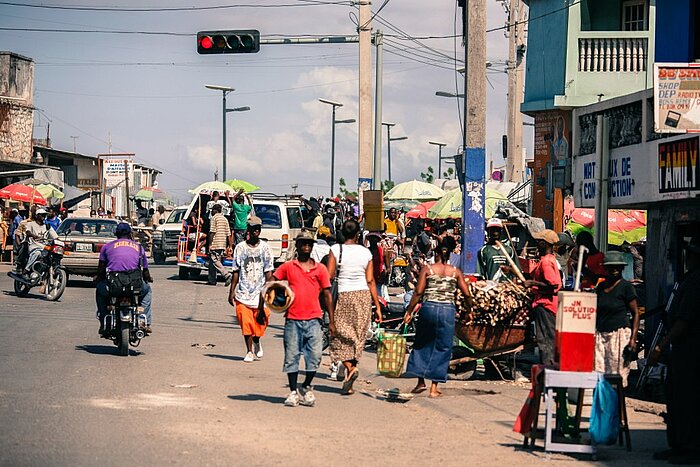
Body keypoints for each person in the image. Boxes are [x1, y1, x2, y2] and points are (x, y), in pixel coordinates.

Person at [648, 240, 700, 464]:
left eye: (691, 254)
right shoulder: (689, 279)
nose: (687, 257)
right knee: (676, 396)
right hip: (681, 350)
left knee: (688, 398)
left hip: (692, 350)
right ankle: (678, 444)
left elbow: (684, 321)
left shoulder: (697, 281)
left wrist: (660, 345)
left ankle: (690, 447)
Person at [403, 236, 472, 397]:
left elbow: (418, 292)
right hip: (447, 310)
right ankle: (434, 388)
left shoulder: (428, 269)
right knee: (443, 346)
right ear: (451, 253)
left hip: (429, 308)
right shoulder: (455, 272)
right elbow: (467, 294)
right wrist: (469, 311)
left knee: (422, 342)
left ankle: (420, 381)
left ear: (436, 251)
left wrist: (409, 311)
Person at [274, 230, 334, 407]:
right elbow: (272, 282)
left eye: (309, 243)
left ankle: (306, 385)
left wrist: (331, 320)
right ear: (298, 246)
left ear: (312, 246)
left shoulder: (321, 269)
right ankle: (293, 391)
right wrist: (267, 305)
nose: (306, 246)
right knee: (292, 357)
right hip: (293, 319)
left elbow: (327, 294)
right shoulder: (289, 266)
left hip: (314, 319)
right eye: (303, 243)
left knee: (314, 357)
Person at [326, 219, 382, 395]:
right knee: (358, 336)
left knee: (339, 336)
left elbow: (328, 276)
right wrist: (377, 306)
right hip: (363, 296)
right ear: (359, 234)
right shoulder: (366, 253)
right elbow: (371, 280)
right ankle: (351, 372)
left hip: (344, 295)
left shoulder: (336, 250)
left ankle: (350, 368)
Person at [228, 216, 274, 363]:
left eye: (258, 229)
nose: (256, 232)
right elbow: (236, 271)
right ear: (248, 230)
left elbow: (268, 271)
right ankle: (249, 351)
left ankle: (256, 340)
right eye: (253, 229)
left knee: (262, 320)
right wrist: (231, 292)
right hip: (243, 292)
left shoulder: (265, 248)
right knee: (245, 322)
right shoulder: (240, 248)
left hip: (260, 293)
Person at [95, 223, 153, 334]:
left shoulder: (107, 247)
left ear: (116, 233)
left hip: (113, 286)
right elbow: (145, 271)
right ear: (130, 233)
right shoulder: (139, 248)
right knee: (148, 291)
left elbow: (101, 268)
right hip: (134, 286)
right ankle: (143, 320)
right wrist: (149, 278)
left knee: (100, 291)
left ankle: (103, 322)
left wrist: (98, 278)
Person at [594, 251, 640, 387]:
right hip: (601, 334)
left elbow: (636, 313)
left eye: (618, 267)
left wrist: (633, 339)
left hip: (619, 335)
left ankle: (617, 405)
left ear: (622, 268)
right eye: (611, 266)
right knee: (599, 371)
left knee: (617, 375)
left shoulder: (626, 287)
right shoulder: (601, 287)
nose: (615, 269)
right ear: (606, 268)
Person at [523, 229, 562, 366]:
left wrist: (532, 283)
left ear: (546, 244)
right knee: (548, 338)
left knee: (546, 339)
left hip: (545, 305)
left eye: (539, 242)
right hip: (548, 305)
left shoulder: (546, 262)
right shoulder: (550, 260)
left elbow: (553, 285)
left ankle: (549, 370)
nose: (537, 244)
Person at [16, 208, 58, 275]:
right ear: (36, 216)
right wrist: (33, 235)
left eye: (44, 215)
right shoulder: (31, 224)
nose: (43, 217)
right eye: (42, 215)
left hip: (45, 247)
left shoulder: (47, 226)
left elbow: (55, 236)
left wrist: (62, 242)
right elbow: (28, 232)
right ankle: (27, 268)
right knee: (37, 253)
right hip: (34, 245)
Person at [206, 203, 232, 286]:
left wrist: (209, 244)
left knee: (215, 260)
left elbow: (212, 232)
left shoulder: (214, 218)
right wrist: (230, 246)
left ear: (215, 210)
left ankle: (226, 274)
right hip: (222, 243)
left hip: (215, 242)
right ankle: (212, 279)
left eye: (212, 210)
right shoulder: (225, 219)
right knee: (212, 262)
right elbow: (229, 234)